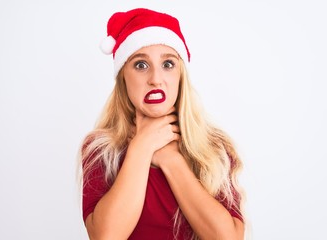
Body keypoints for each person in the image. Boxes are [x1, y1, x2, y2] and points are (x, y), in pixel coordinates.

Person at [79, 7, 247, 240]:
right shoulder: (101, 149)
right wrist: (142, 147)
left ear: (180, 75)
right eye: (140, 65)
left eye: (168, 64)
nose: (155, 79)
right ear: (123, 77)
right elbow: (106, 237)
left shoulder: (214, 146)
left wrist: (171, 159)